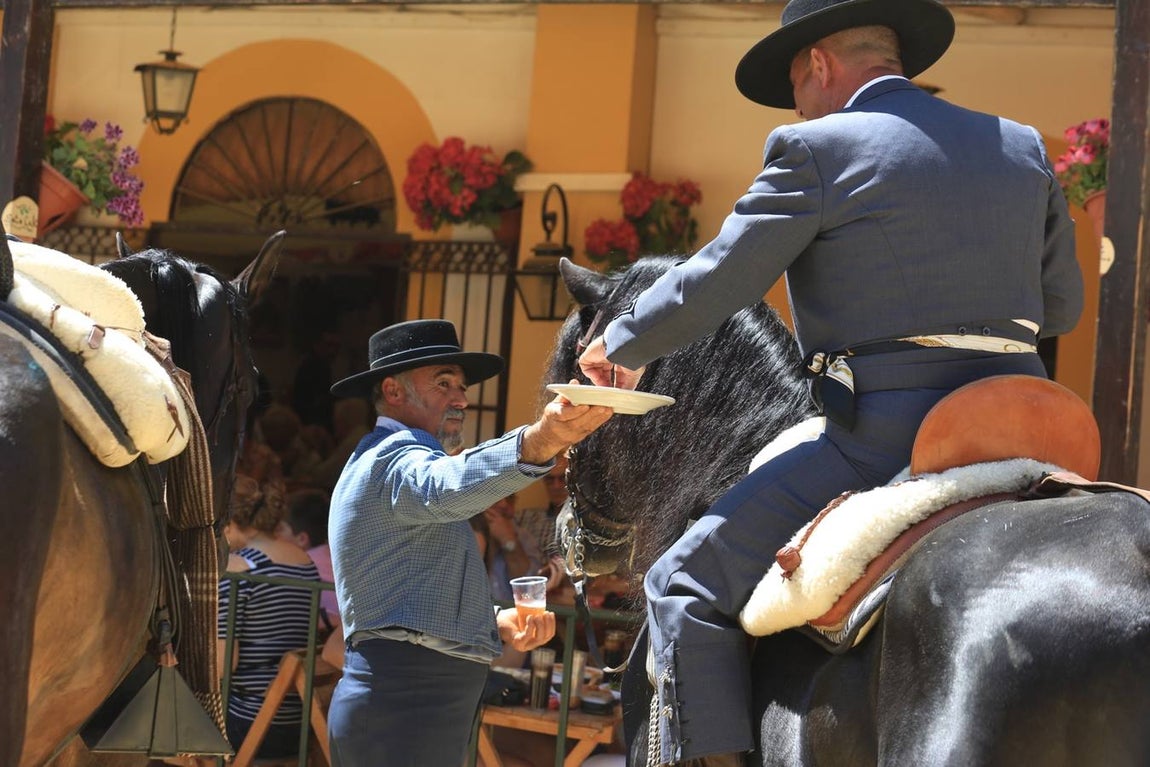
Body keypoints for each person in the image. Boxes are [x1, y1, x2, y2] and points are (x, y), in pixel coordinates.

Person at [576, 0, 1084, 762]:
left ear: (818, 64)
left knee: (680, 582)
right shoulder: (1021, 147)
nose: (797, 104)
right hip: (1036, 427)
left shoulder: (818, 147)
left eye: (794, 84)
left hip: (885, 436)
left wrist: (623, 338)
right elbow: (1063, 305)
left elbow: (720, 277)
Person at [326, 319, 613, 766]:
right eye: (444, 383)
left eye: (461, 385)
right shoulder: (390, 459)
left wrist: (495, 623)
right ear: (393, 391)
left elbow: (412, 596)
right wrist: (541, 439)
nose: (461, 398)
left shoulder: (392, 464)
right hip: (403, 704)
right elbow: (446, 484)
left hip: (416, 704)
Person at [217, 474, 321, 760]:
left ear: (229, 523)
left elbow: (223, 664)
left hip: (250, 722)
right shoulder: (303, 559)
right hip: (299, 721)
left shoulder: (240, 568)